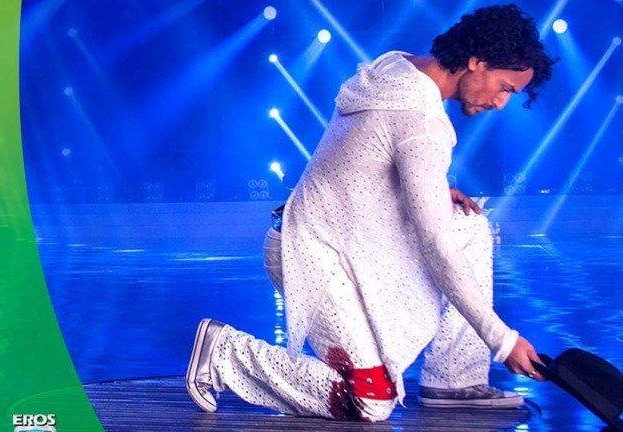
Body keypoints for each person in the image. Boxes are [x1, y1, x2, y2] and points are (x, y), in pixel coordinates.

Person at [186, 3, 555, 422]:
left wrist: (430, 188)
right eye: (505, 88)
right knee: (371, 400)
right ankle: (223, 352)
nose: (502, 103)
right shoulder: (420, 121)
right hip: (310, 257)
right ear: (476, 62)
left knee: (469, 227)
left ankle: (454, 379)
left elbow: (368, 153)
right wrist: (502, 341)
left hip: (328, 233)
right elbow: (436, 245)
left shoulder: (397, 69)